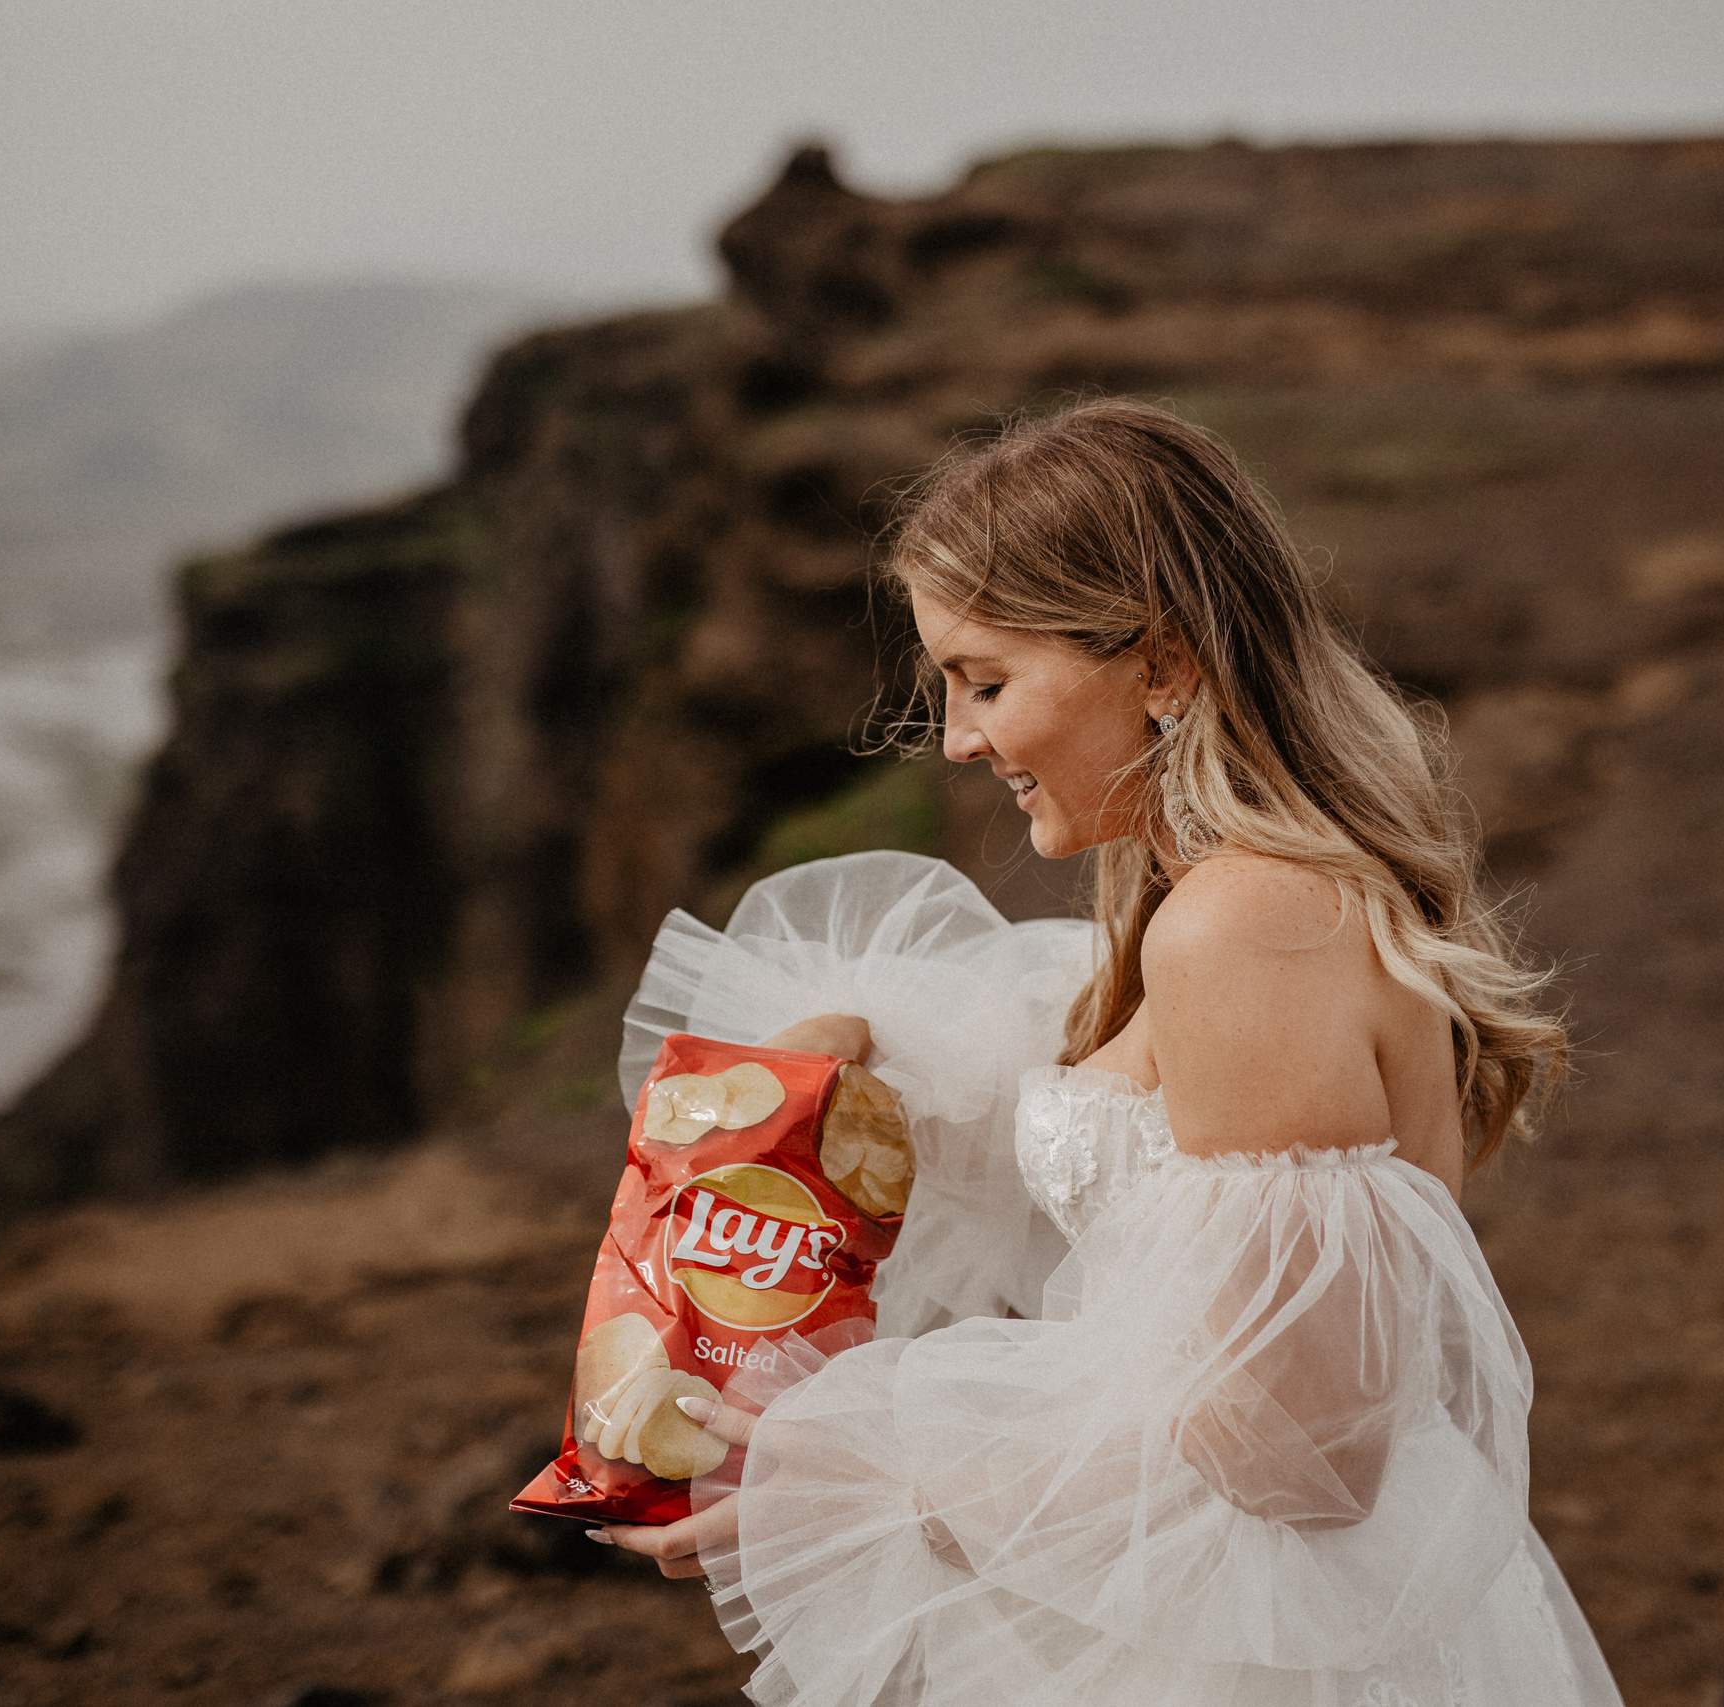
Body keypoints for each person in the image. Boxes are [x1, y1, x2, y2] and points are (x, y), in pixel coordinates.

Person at [602, 399, 1623, 1705]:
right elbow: (1091, 1076)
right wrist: (865, 1043)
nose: (961, 738)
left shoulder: (1248, 926)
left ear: (1163, 664)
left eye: (986, 680)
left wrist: (898, 1484)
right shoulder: (1221, 898)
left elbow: (1303, 1453)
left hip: (1254, 1649)